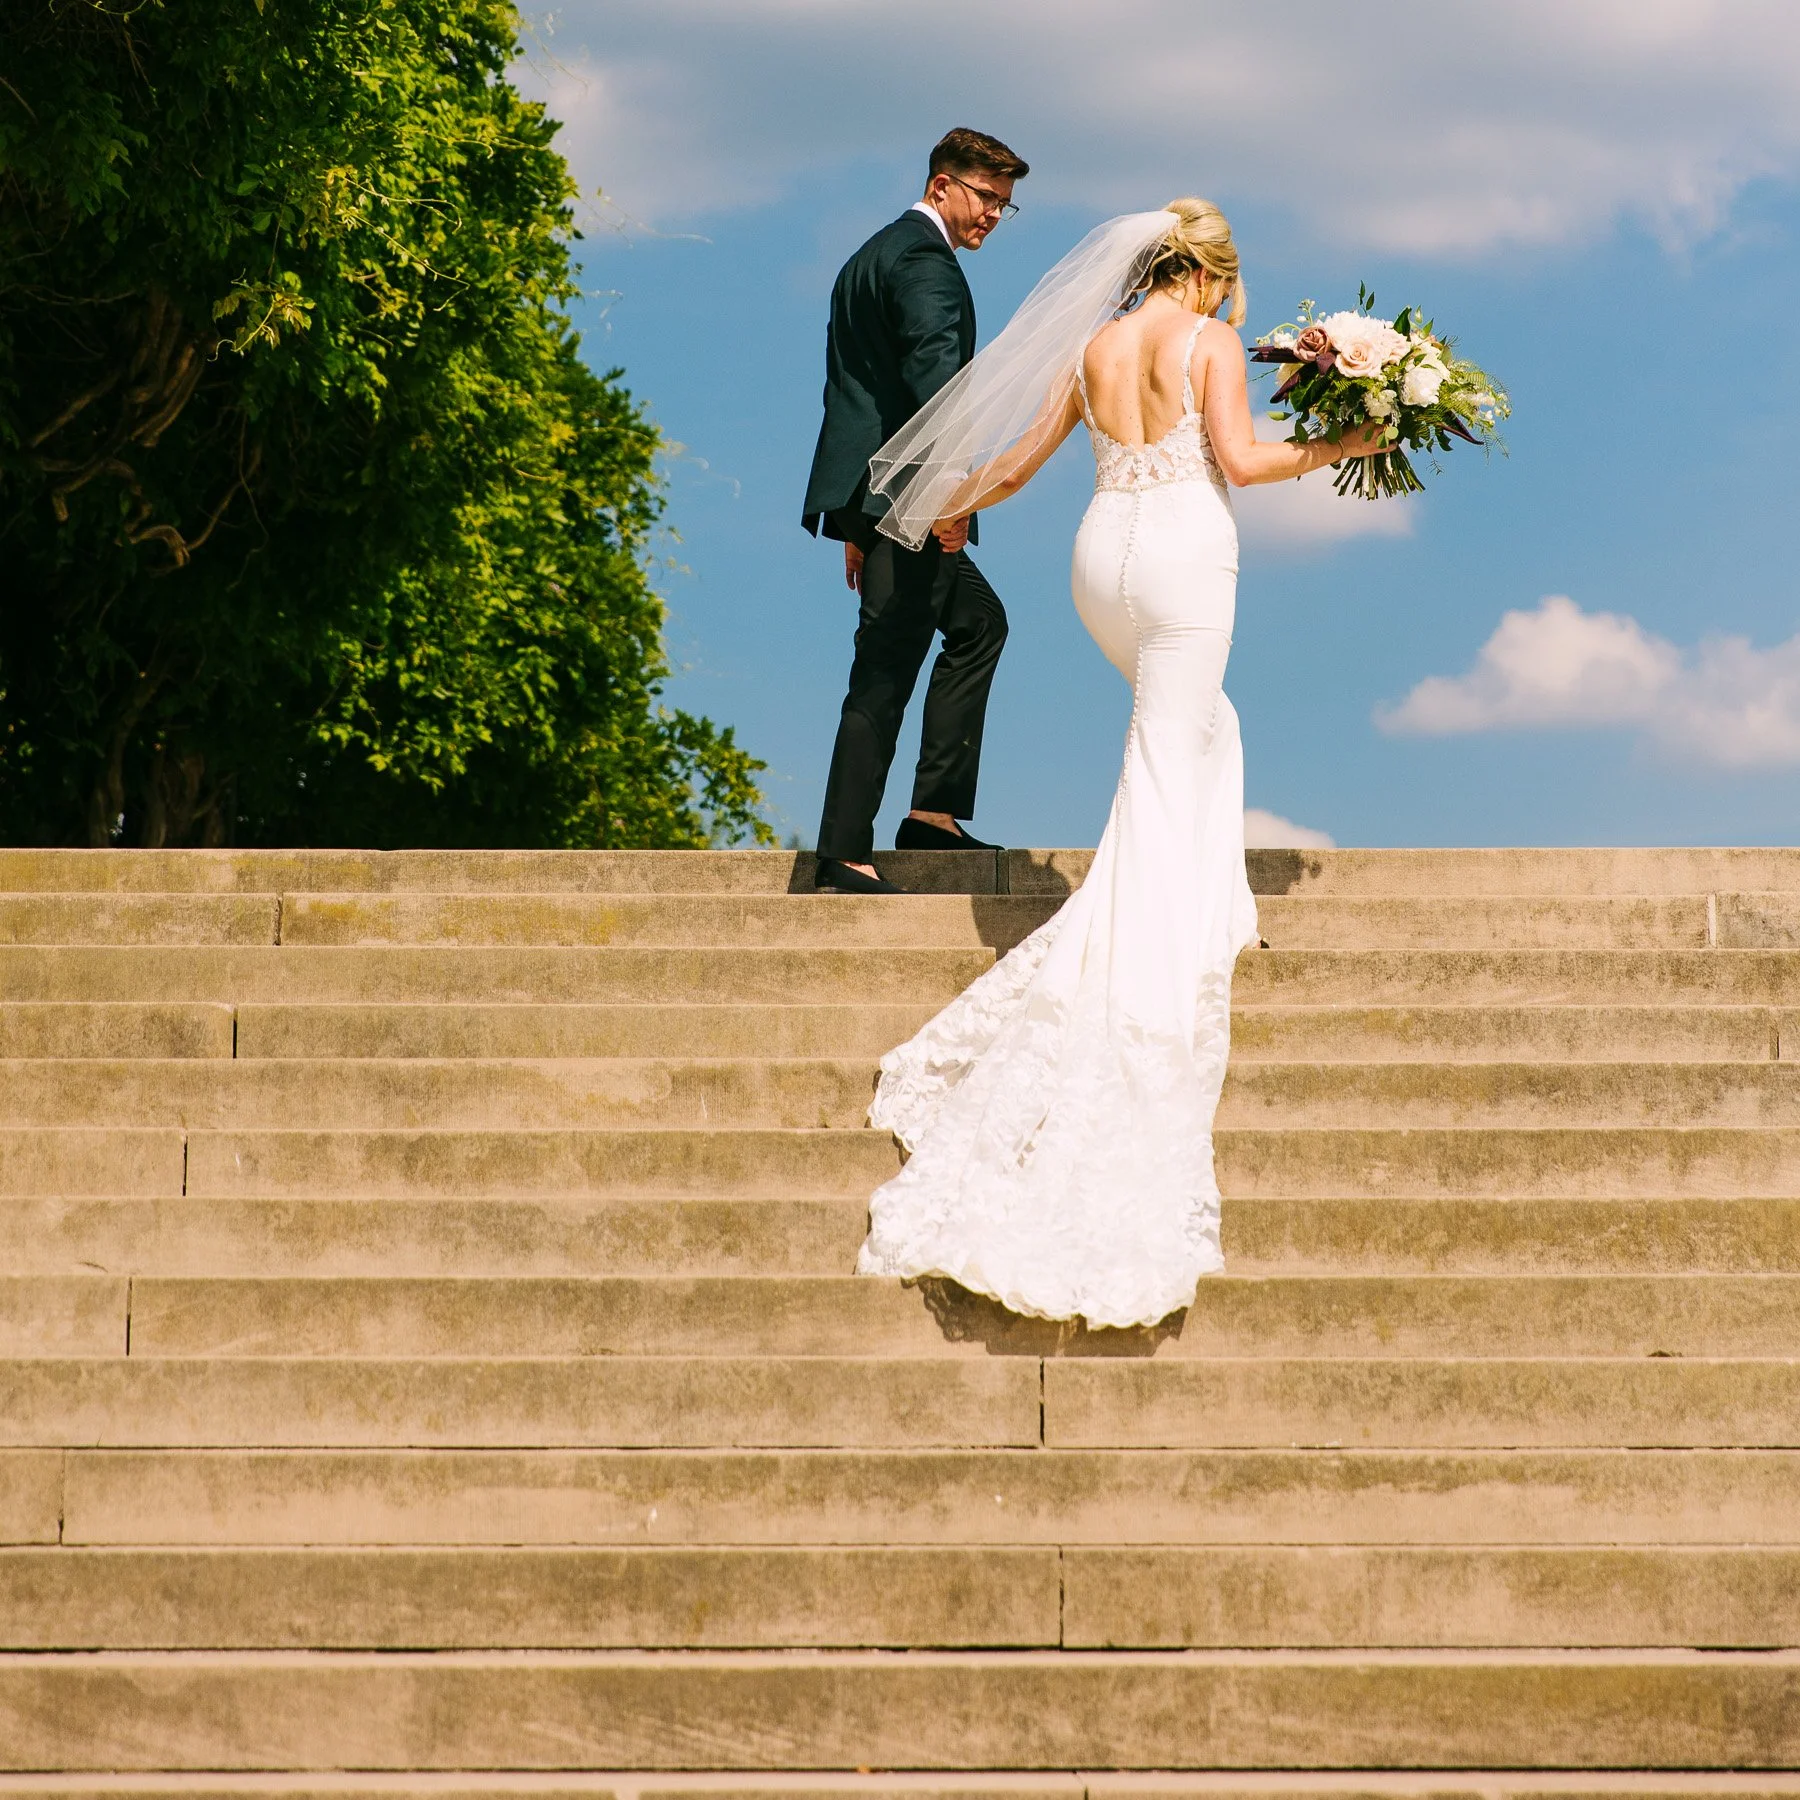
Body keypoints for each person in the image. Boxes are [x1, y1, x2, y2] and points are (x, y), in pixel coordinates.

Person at [855, 199, 1383, 1328]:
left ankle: (1214, 910)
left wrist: (943, 504)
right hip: (1185, 554)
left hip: (1102, 565)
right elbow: (1239, 459)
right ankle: (1140, 957)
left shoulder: (1092, 345)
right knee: (1166, 746)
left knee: (1195, 730)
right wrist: (1346, 444)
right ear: (1207, 279)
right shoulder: (1199, 344)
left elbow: (1017, 462)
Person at [803, 128, 1029, 896]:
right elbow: (937, 380)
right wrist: (953, 492)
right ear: (942, 186)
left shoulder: (868, 255)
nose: (994, 215)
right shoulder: (925, 263)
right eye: (985, 197)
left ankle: (931, 816)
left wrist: (861, 520)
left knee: (977, 624)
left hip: (883, 499)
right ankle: (842, 852)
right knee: (885, 668)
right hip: (916, 496)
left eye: (1005, 203)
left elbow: (859, 391)